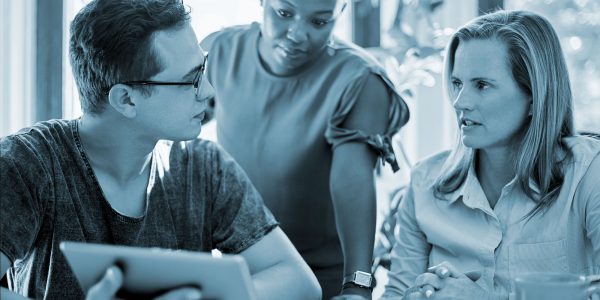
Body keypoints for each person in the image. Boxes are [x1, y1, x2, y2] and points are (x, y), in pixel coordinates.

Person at [0, 0, 322, 299]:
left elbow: (301, 283)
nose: (208, 91)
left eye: (203, 67)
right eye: (191, 79)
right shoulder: (27, 163)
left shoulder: (205, 168)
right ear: (126, 100)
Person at [382, 10, 600, 300]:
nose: (460, 102)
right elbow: (397, 294)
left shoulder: (588, 173)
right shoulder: (425, 183)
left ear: (535, 97)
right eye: (457, 83)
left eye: (482, 85)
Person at [200, 0, 410, 298]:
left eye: (319, 22)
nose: (297, 34)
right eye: (284, 14)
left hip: (320, 280)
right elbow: (171, 131)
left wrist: (358, 286)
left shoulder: (359, 80)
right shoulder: (219, 51)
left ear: (341, 13)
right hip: (239, 273)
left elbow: (352, 183)